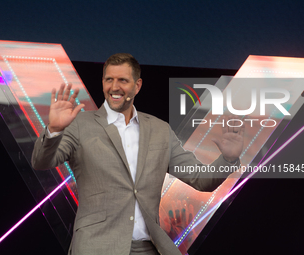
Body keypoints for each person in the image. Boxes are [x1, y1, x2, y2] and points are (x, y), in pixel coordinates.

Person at [32, 53, 244, 255]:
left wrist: (228, 159)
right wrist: (54, 130)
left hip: (148, 248)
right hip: (97, 246)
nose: (114, 87)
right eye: (109, 80)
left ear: (137, 86)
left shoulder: (160, 130)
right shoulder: (79, 124)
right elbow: (42, 161)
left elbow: (200, 180)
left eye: (123, 80)